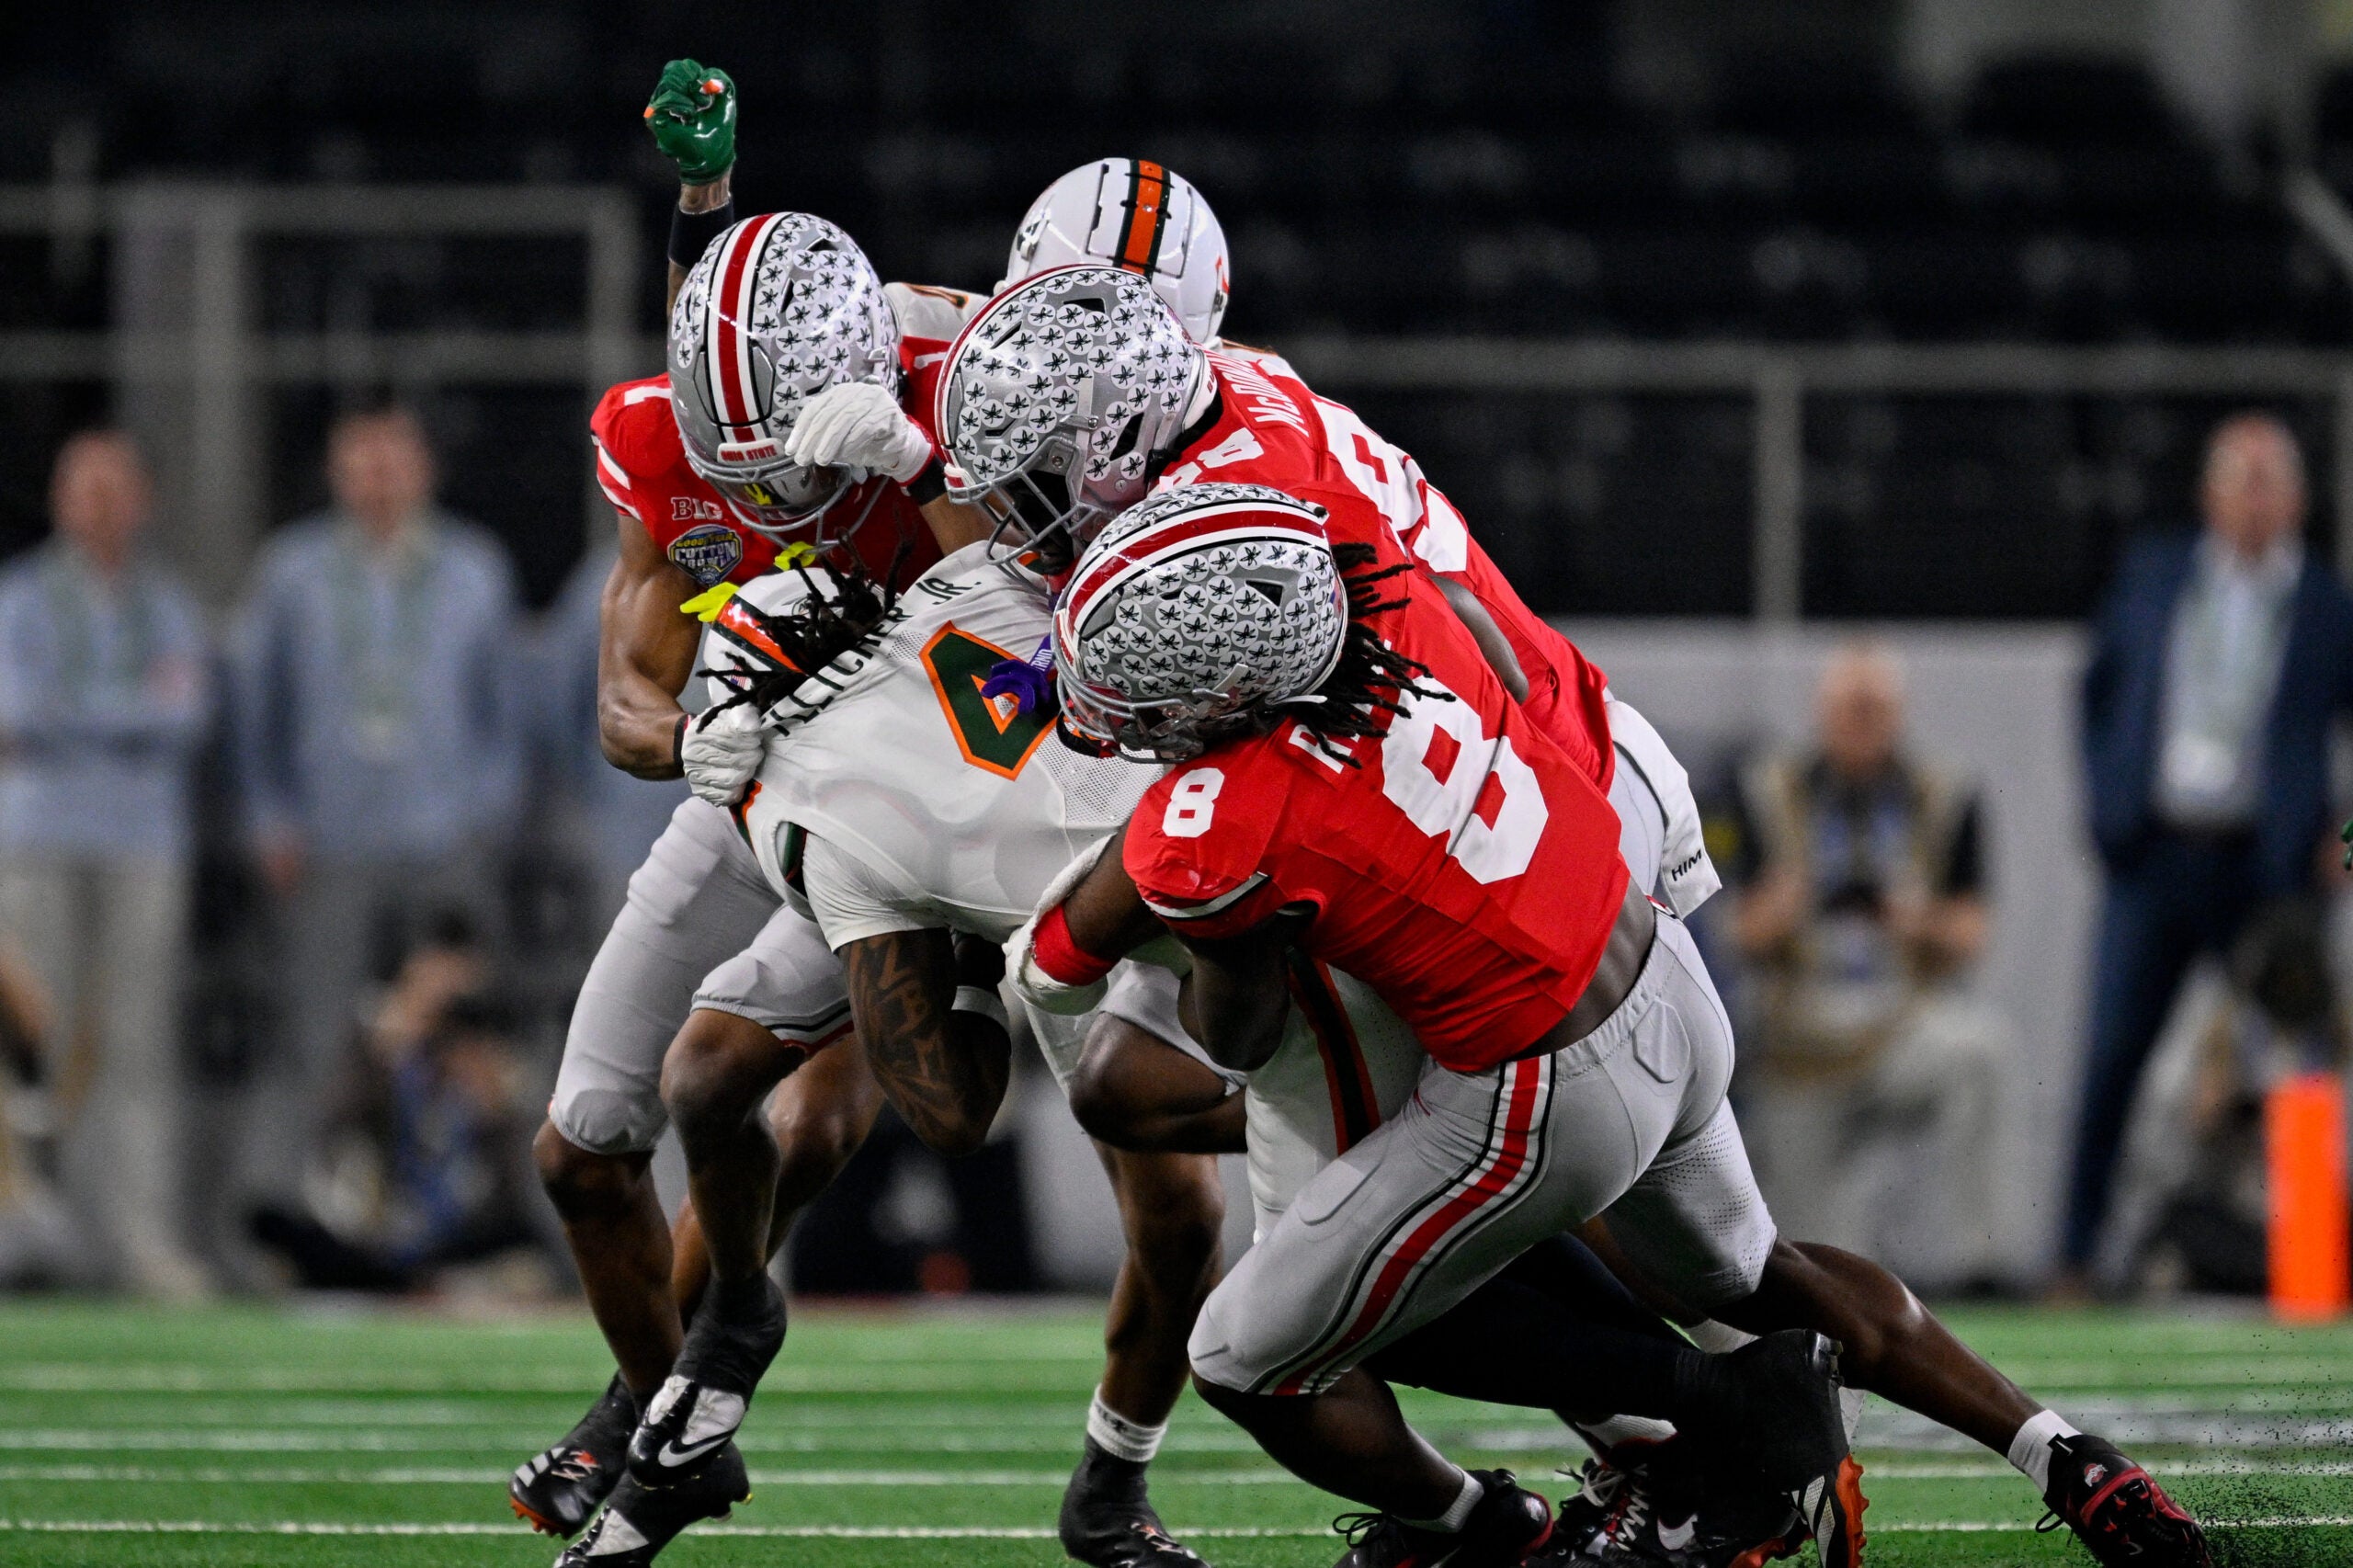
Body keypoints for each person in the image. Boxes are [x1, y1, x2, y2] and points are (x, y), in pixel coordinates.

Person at [1021, 477, 2211, 1568]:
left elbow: (1218, 1027)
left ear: (1233, 686)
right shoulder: (1404, 607)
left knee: (1254, 1342)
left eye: (1153, 675)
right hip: (1658, 970)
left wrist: (1196, 933)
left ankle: (1710, 1424)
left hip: (1546, 1080)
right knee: (1759, 1269)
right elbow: (1504, 665)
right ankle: (2068, 1457)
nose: (1130, 702)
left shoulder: (1215, 820)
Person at [2063, 412, 2353, 1293]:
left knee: (2302, 1062)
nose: (2256, 498)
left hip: (2267, 871)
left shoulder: (2325, 605)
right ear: (2209, 495)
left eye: (2272, 480)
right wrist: (2109, 806)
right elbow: (2100, 690)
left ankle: (2314, 1259)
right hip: (2157, 857)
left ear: (2298, 500)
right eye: (2242, 479)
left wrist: (2344, 843)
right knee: (2112, 1056)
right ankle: (2075, 1256)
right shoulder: (2156, 576)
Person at [230, 406, 523, 1225]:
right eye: (361, 465)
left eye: (392, 463)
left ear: (424, 470)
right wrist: (270, 818)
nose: (378, 481)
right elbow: (257, 713)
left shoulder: (475, 569)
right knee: (318, 1030)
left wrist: (484, 819)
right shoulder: (291, 572)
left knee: (458, 1036)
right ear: (335, 474)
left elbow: (507, 715)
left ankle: (462, 1223)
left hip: (444, 840)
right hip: (330, 843)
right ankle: (303, 1220)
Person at [1726, 641, 2015, 1291]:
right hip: (1800, 1038)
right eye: (1849, 708)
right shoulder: (1765, 791)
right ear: (1821, 711)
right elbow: (1731, 931)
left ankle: (1979, 1265)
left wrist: (1918, 921)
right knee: (1823, 1271)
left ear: (1899, 713)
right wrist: (1787, 905)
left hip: (1900, 1020)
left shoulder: (1942, 792)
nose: (1861, 723)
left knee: (1980, 1054)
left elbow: (1973, 930)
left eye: (1874, 708)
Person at [0, 430, 213, 1297]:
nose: (98, 506)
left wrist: (70, 717)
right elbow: (17, 708)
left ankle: (136, 1240)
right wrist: (129, 715)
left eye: (114, 489)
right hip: (38, 840)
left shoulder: (168, 606)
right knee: (28, 1043)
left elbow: (187, 714)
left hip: (142, 844)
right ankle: (25, 1234)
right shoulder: (21, 598)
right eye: (83, 488)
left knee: (134, 1044)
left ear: (142, 502)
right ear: (59, 498)